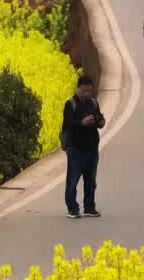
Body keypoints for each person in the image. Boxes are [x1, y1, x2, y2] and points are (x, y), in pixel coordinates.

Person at [62, 75, 105, 219]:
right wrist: (82, 122)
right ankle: (72, 208)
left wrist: (100, 122)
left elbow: (99, 118)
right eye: (84, 91)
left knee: (91, 181)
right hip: (76, 148)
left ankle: (89, 207)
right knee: (72, 181)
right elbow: (68, 123)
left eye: (89, 91)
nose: (86, 94)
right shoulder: (70, 104)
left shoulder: (93, 103)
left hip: (92, 147)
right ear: (78, 88)